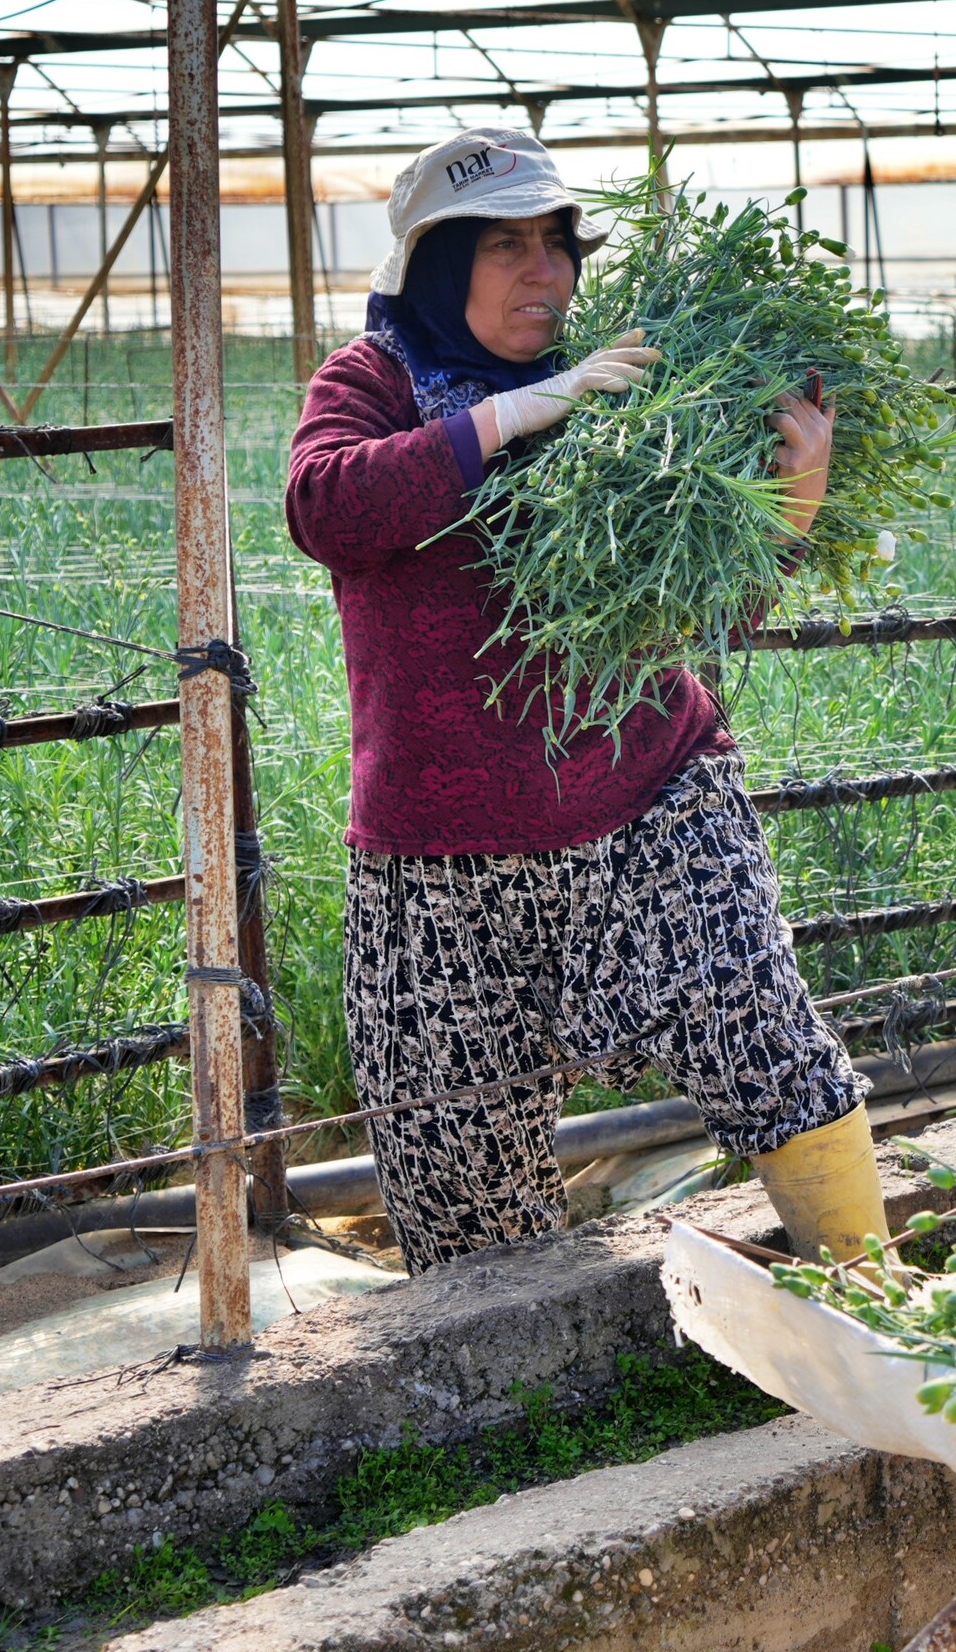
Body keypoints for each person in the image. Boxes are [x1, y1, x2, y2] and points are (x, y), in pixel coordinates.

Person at [285, 127, 880, 1272]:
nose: (544, 272)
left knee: (761, 1038)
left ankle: (876, 1300)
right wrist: (524, 410)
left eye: (556, 243)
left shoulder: (637, 383)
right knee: (455, 1172)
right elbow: (328, 512)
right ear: (432, 265)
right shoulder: (376, 381)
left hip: (648, 794)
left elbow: (698, 612)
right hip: (436, 849)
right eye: (505, 245)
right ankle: (519, 1418)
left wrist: (787, 509)